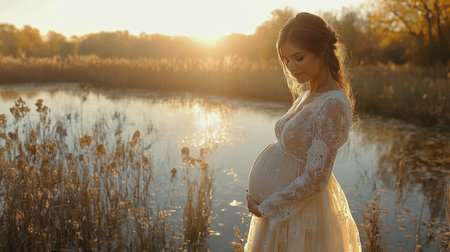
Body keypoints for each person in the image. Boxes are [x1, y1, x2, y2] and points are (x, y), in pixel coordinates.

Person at [245, 12, 362, 251]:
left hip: (300, 216)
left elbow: (317, 178)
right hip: (282, 216)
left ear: (321, 50)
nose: (291, 67)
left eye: (298, 58)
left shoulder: (332, 105)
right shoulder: (310, 94)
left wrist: (268, 205)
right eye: (286, 60)